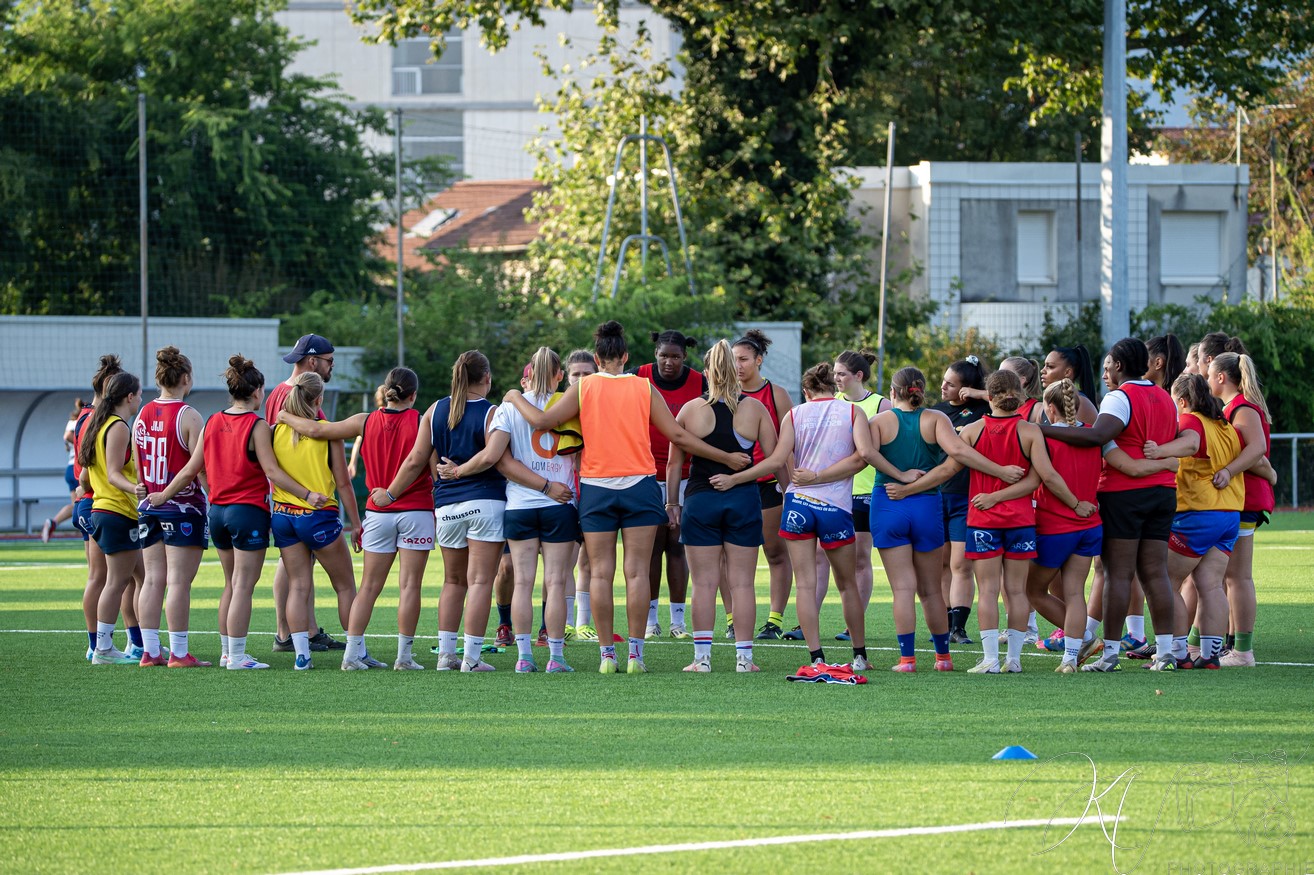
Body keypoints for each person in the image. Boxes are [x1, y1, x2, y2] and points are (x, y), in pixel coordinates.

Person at [503, 321, 751, 674]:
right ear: (625, 356)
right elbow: (678, 437)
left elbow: (542, 421)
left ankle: (607, 656)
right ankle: (635, 655)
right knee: (636, 574)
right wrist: (726, 457)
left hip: (597, 488)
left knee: (601, 574)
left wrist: (513, 395)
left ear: (597, 358)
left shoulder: (584, 387)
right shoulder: (644, 387)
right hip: (639, 487)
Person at [711, 362, 903, 669]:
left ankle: (816, 657)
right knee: (847, 584)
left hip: (798, 505)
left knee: (805, 585)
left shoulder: (794, 414)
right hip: (836, 508)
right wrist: (822, 476)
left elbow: (776, 459)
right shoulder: (853, 413)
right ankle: (858, 656)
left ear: (805, 391)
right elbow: (864, 457)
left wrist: (735, 478)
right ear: (834, 387)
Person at [148, 355, 317, 670]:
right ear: (257, 392)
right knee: (243, 585)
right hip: (247, 512)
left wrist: (163, 495)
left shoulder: (212, 421)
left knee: (231, 583)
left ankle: (229, 651)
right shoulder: (257, 425)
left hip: (218, 512)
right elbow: (272, 471)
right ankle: (237, 657)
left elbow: (189, 470)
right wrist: (307, 493)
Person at [429, 348, 580, 673]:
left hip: (519, 505)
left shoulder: (509, 408)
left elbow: (497, 458)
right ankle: (555, 657)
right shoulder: (569, 405)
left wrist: (456, 471)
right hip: (560, 502)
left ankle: (524, 658)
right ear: (559, 376)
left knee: (522, 583)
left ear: (527, 375)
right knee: (555, 582)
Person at [871, 367, 1029, 672]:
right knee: (931, 589)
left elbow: (863, 453)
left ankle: (907, 660)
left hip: (889, 501)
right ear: (922, 390)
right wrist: (1000, 471)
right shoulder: (936, 419)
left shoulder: (878, 421)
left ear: (893, 392)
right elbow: (958, 452)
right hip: (928, 505)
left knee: (903, 589)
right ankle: (943, 658)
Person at [1041, 338, 1183, 673]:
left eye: (1108, 367)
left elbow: (1096, 436)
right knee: (1155, 573)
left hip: (1125, 493)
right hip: (1163, 492)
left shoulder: (1121, 396)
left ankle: (1110, 655)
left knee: (1118, 574)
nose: (1105, 375)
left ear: (1120, 365)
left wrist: (1043, 430)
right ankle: (1165, 654)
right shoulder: (1165, 396)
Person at [284, 367, 435, 670]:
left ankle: (352, 654)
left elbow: (318, 430)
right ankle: (404, 658)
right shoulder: (422, 423)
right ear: (413, 395)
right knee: (410, 587)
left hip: (377, 514)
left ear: (386, 390)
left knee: (367, 587)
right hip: (416, 511)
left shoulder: (365, 421)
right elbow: (429, 466)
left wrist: (285, 417)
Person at [380, 351, 506, 672]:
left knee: (453, 581)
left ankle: (446, 656)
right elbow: (492, 457)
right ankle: (471, 660)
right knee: (480, 582)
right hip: (485, 503)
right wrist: (462, 470)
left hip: (446, 507)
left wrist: (391, 493)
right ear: (487, 378)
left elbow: (415, 460)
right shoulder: (492, 413)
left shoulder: (435, 409)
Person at [960, 369, 1086, 674]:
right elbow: (1041, 478)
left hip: (984, 519)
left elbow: (947, 467)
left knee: (988, 590)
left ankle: (991, 658)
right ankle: (1013, 659)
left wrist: (992, 498)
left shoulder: (971, 431)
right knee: (1016, 590)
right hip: (1021, 520)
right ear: (1021, 395)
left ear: (988, 397)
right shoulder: (1031, 431)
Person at [667, 340, 778, 673]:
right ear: (736, 372)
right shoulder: (755, 408)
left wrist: (672, 501)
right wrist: (738, 479)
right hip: (742, 500)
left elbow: (674, 464)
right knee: (742, 583)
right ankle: (745, 659)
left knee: (703, 583)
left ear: (705, 373)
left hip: (701, 500)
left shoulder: (689, 409)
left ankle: (702, 660)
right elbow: (773, 459)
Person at [1142, 373, 1251, 669]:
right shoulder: (1225, 425)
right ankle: (1210, 654)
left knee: (1166, 580)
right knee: (1210, 585)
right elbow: (1256, 457)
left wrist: (1159, 450)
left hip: (1197, 513)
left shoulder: (1190, 420)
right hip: (1229, 513)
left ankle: (1176, 652)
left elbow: (1189, 444)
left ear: (1182, 401)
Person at [270, 372, 361, 670]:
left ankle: (301, 656)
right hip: (318, 517)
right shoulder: (326, 431)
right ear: (319, 400)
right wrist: (357, 523)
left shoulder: (274, 432)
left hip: (283, 516)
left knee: (298, 586)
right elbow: (344, 483)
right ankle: (354, 654)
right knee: (345, 586)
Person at [131, 346, 209, 667]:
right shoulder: (189, 415)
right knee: (178, 582)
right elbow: (197, 468)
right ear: (186, 378)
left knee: (152, 579)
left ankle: (150, 651)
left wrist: (149, 490)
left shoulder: (142, 413)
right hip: (183, 508)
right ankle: (179, 652)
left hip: (149, 506)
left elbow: (139, 463)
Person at [267, 333, 343, 653]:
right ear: (312, 361)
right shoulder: (297, 396)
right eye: (328, 361)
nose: (331, 366)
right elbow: (312, 435)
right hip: (302, 500)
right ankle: (286, 633)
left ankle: (306, 631)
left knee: (299, 571)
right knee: (293, 569)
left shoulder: (278, 395)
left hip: (290, 501)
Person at [812, 350, 890, 642]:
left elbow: (884, 449)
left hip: (866, 492)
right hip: (832, 491)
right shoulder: (832, 404)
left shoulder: (881, 405)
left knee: (859, 558)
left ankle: (853, 624)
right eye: (834, 373)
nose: (836, 378)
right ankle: (810, 619)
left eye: (841, 373)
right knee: (820, 555)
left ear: (858, 376)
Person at [633, 330, 705, 640]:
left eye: (675, 356)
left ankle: (678, 621)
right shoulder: (640, 377)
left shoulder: (699, 381)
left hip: (687, 474)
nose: (669, 361)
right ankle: (650, 621)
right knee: (650, 548)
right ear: (655, 354)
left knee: (677, 546)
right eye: (663, 355)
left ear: (684, 357)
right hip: (645, 473)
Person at [1209, 349, 1277, 667]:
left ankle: (1242, 651)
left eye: (1209, 373)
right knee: (1228, 577)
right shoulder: (1233, 407)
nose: (1206, 379)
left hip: (1245, 500)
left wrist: (1229, 471)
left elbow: (1259, 451)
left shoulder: (1242, 408)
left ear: (1221, 378)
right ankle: (1229, 646)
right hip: (1237, 499)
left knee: (1238, 577)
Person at [72, 357, 141, 660]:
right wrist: (137, 488)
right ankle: (102, 647)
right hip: (114, 510)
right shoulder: (117, 427)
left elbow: (86, 475)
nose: (141, 399)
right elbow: (113, 473)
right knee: (115, 582)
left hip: (105, 509)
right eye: (139, 395)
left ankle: (142, 642)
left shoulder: (100, 424)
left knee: (143, 575)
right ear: (129, 397)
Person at [730, 329, 793, 641]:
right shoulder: (722, 394)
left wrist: (791, 486)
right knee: (731, 555)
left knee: (775, 552)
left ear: (758, 360)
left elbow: (788, 445)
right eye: (733, 360)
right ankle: (732, 619)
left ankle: (774, 619)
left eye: (743, 359)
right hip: (734, 484)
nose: (738, 365)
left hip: (768, 483)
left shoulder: (776, 394)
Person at [932, 357, 991, 643]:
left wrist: (980, 395)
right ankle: (944, 626)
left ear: (966, 389)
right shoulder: (937, 412)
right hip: (935, 495)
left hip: (966, 497)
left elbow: (1012, 399)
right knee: (941, 564)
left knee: (961, 565)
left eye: (950, 384)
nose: (942, 387)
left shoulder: (984, 409)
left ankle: (959, 627)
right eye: (943, 381)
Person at [563, 349, 598, 641]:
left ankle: (584, 622)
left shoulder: (603, 407)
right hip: (562, 491)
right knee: (563, 560)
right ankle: (562, 621)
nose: (582, 379)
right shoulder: (557, 409)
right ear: (566, 378)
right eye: (577, 374)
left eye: (588, 374)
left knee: (588, 559)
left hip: (594, 488)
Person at [42, 400, 84, 543]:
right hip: (77, 467)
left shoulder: (71, 421)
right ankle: (88, 533)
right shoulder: (78, 422)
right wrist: (82, 445)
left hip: (70, 467)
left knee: (76, 505)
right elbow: (68, 437)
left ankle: (53, 522)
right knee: (85, 503)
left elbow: (66, 442)